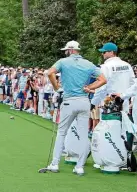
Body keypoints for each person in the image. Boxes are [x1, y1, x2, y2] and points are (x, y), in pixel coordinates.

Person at [45, 40, 106, 176]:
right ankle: (79, 167)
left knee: (61, 132)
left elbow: (50, 73)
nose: (65, 52)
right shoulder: (88, 64)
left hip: (69, 101)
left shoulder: (63, 62)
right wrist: (89, 87)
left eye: (66, 50)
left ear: (71, 50)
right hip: (84, 101)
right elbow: (103, 79)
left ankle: (54, 164)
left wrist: (56, 87)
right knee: (83, 135)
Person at [88, 43, 135, 117]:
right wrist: (126, 96)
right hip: (124, 102)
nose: (102, 54)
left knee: (109, 127)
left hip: (109, 103)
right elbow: (132, 83)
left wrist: (93, 103)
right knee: (124, 126)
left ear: (112, 52)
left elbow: (102, 87)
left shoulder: (105, 67)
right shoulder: (127, 65)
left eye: (104, 52)